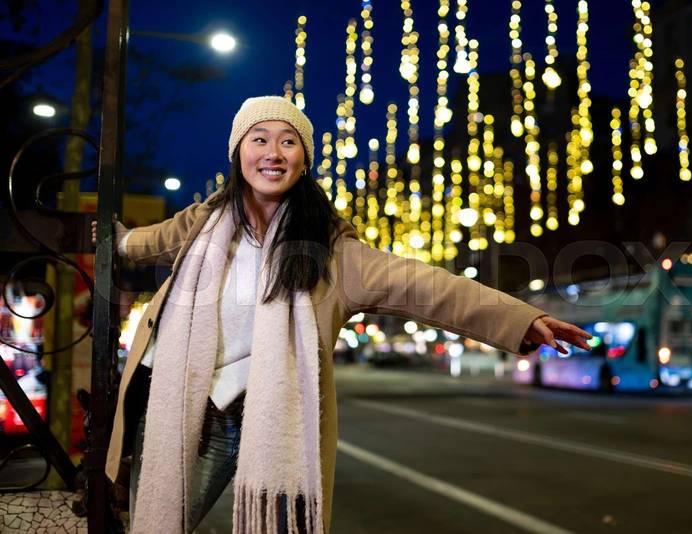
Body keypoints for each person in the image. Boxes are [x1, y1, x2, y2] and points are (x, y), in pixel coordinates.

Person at [93, 95, 591, 534]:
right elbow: (144, 242)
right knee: (158, 524)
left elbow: (425, 286)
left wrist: (520, 320)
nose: (272, 152)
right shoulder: (204, 224)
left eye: (288, 142)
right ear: (237, 151)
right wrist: (110, 242)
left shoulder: (331, 251)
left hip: (274, 418)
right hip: (185, 404)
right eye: (259, 138)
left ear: (303, 160)